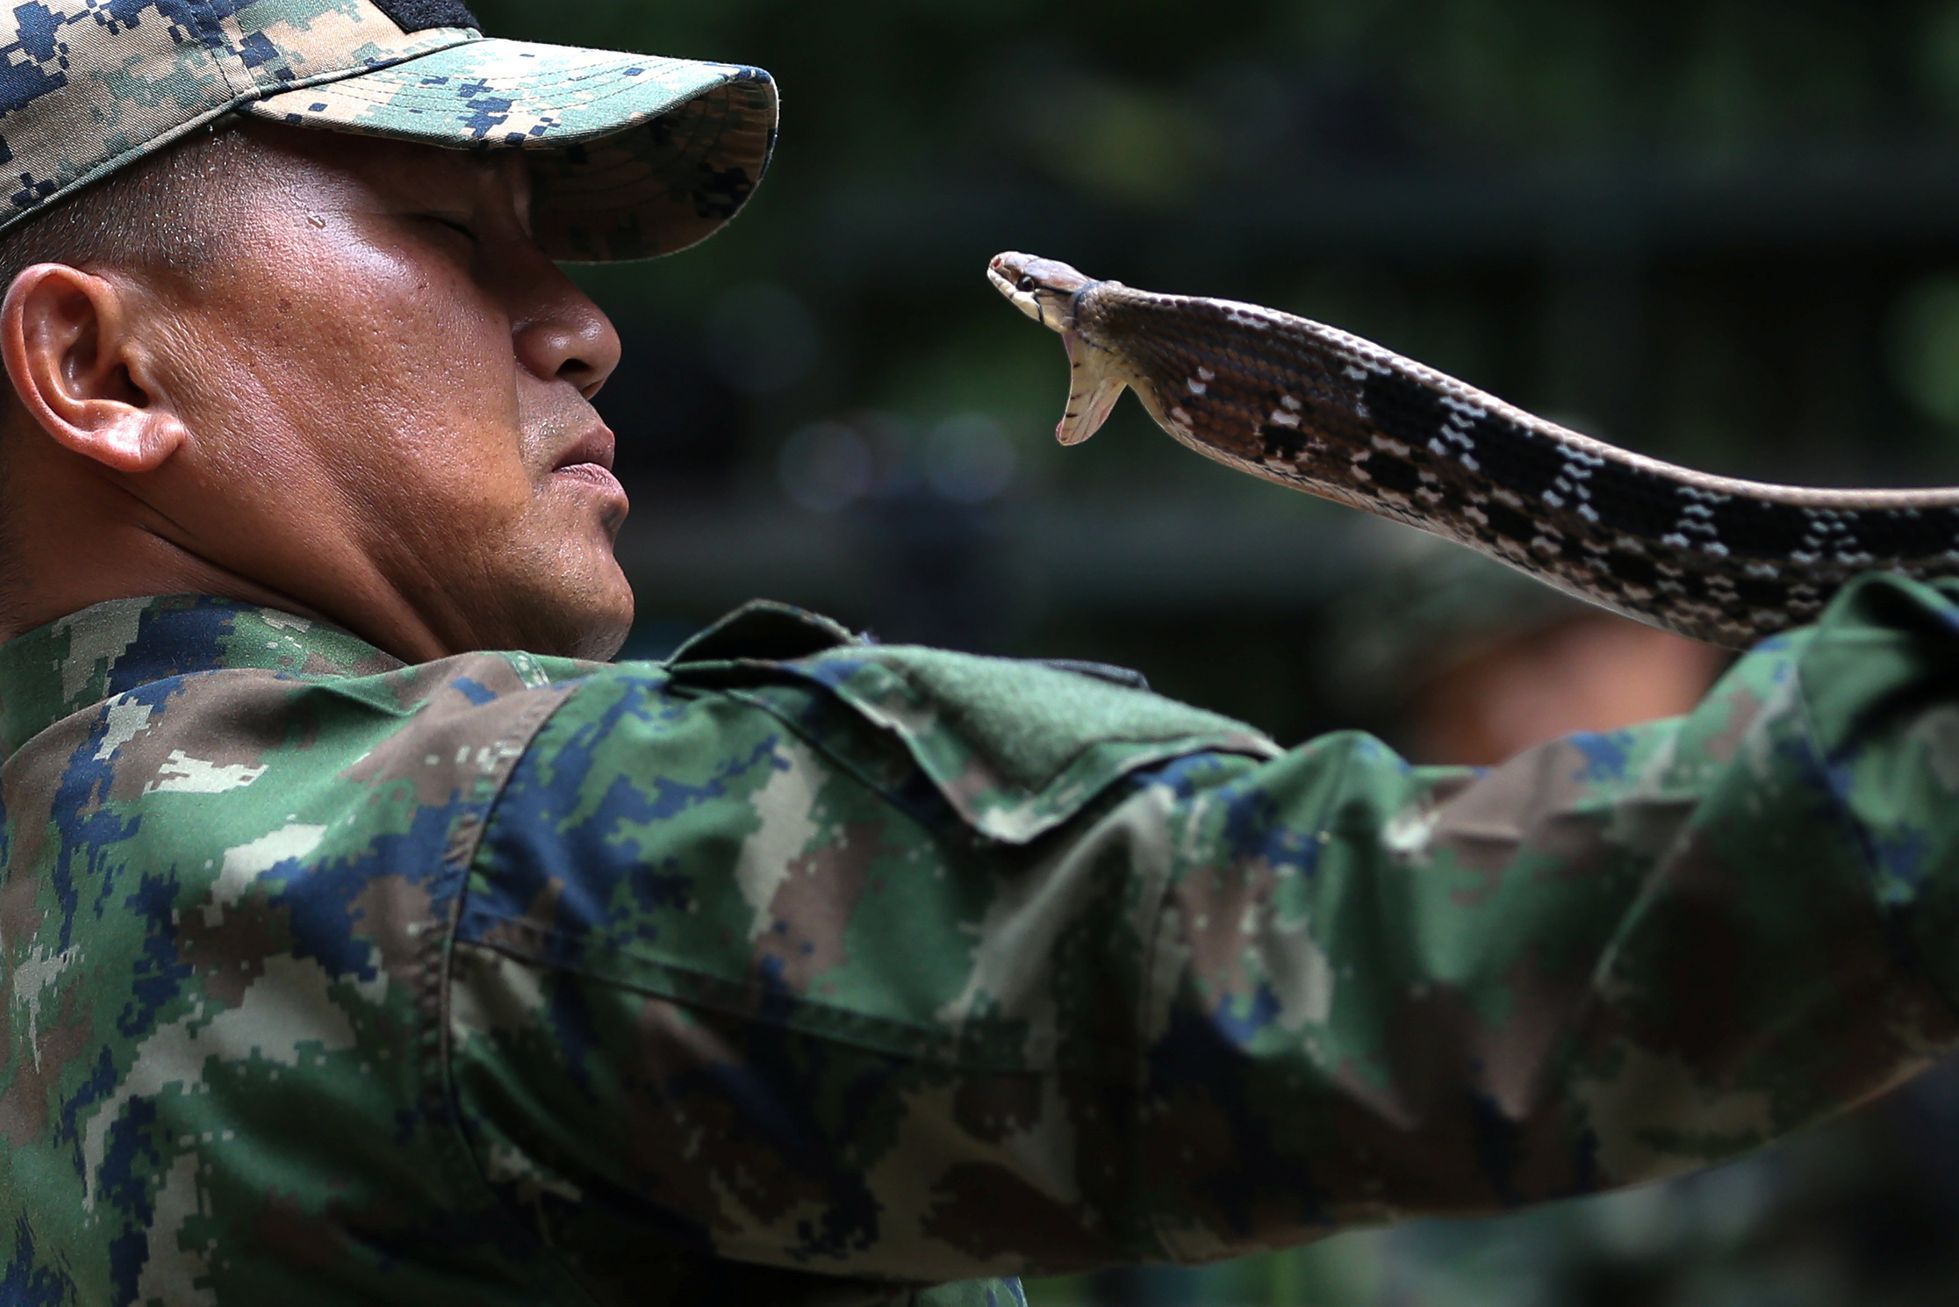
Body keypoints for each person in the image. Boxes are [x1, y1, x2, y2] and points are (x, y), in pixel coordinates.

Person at [3, 5, 1957, 1307]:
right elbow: (1447, 958)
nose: (583, 326)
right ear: (98, 368)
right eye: (448, 233)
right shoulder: (504, 848)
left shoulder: (62, 897)